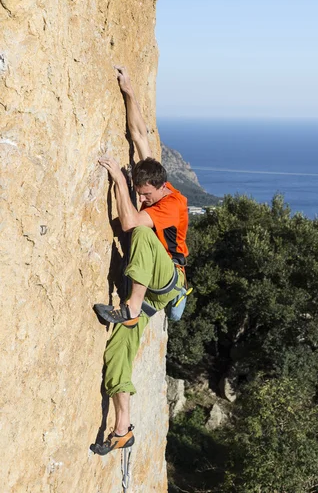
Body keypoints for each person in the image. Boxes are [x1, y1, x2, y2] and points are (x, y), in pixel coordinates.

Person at [93, 66, 189, 455]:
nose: (141, 196)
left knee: (144, 235)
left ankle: (130, 307)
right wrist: (130, 92)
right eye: (137, 190)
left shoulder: (172, 204)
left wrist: (118, 179)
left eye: (144, 193)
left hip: (166, 283)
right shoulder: (154, 175)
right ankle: (122, 428)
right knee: (117, 353)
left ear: (160, 187)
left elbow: (132, 224)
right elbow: (140, 135)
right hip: (148, 289)